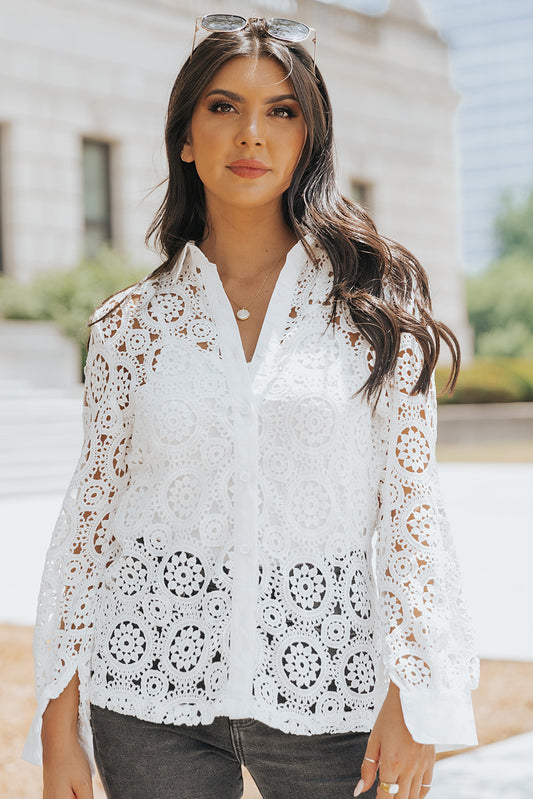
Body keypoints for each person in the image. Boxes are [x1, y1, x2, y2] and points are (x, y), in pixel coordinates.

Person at [23, 14, 479, 799]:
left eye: (281, 110)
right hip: (145, 693)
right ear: (186, 138)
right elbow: (89, 525)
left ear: (309, 138)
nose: (251, 135)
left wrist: (417, 695)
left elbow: (410, 513)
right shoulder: (130, 326)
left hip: (334, 695)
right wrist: (59, 728)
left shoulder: (373, 307)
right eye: (223, 107)